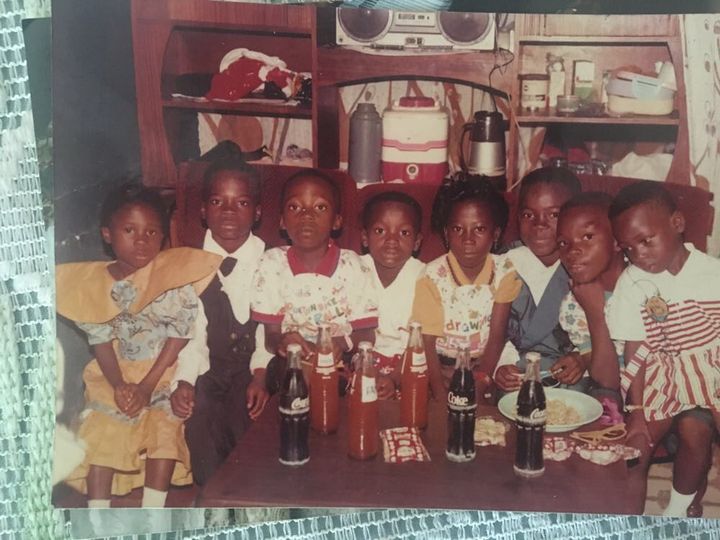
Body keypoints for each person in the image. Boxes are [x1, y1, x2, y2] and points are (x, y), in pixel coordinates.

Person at [55, 183, 220, 507]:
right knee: (104, 426)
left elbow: (180, 335)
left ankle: (153, 511)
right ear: (107, 234)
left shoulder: (170, 279)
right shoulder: (96, 282)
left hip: (161, 368)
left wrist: (146, 386)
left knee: (164, 425)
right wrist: (119, 385)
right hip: (114, 369)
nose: (141, 239)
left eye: (151, 231)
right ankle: (96, 511)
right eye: (130, 230)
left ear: (163, 237)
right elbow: (100, 341)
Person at [607, 180, 720, 517]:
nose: (639, 255)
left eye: (646, 241)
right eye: (629, 248)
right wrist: (637, 411)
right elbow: (635, 348)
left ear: (677, 223)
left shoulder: (713, 273)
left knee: (697, 432)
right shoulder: (632, 281)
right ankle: (628, 518)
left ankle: (679, 509)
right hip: (660, 370)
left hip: (711, 367)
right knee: (636, 445)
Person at [169, 157, 273, 486]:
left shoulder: (271, 261)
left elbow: (270, 331)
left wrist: (262, 375)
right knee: (200, 420)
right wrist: (184, 380)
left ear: (257, 212)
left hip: (254, 368)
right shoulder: (190, 264)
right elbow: (191, 334)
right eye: (218, 201)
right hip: (209, 369)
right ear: (203, 210)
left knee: (247, 421)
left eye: (241, 202)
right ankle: (213, 502)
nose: (228, 211)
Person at [250, 169, 377, 372]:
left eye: (320, 207)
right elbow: (270, 338)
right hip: (290, 364)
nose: (307, 215)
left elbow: (366, 334)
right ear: (282, 221)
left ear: (337, 221)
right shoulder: (271, 264)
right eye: (295, 207)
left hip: (340, 363)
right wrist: (283, 341)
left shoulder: (354, 266)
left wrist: (340, 343)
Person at [411, 173, 521, 400]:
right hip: (441, 364)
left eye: (479, 229)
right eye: (458, 229)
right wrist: (441, 396)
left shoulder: (505, 271)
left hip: (487, 361)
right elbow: (427, 343)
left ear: (496, 234)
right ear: (446, 233)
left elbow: (497, 335)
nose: (468, 239)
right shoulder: (432, 276)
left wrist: (480, 383)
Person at [494, 166, 583, 393]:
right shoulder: (504, 263)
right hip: (516, 374)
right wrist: (500, 367)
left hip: (568, 376)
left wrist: (583, 358)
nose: (539, 224)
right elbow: (489, 332)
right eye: (528, 215)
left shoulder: (585, 265)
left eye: (553, 214)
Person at [555, 192, 626, 415]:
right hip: (614, 392)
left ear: (617, 240)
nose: (572, 250)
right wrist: (595, 312)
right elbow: (607, 380)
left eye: (587, 237)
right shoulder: (573, 305)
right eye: (563, 243)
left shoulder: (646, 286)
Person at [359, 191, 425, 399]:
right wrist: (370, 370)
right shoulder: (354, 269)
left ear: (417, 242)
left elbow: (420, 342)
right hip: (363, 360)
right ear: (364, 238)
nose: (391, 240)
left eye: (404, 233)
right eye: (380, 230)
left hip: (407, 363)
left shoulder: (425, 276)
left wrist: (395, 378)